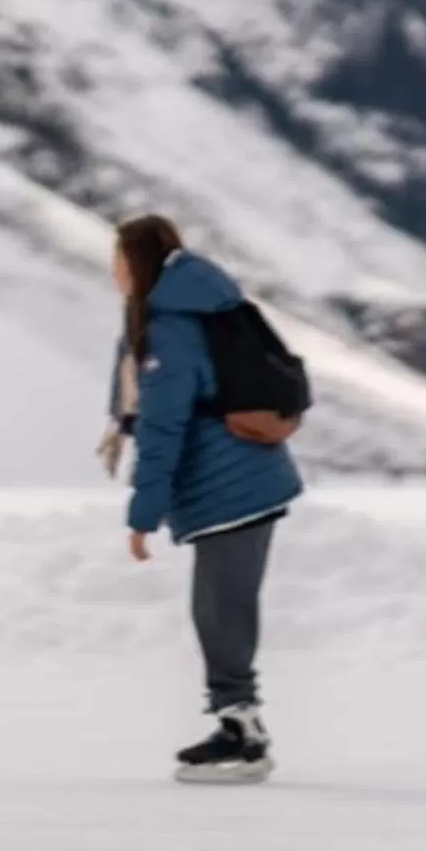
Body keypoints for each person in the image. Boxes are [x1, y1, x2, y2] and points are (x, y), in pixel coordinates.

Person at [106, 213, 304, 783]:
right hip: (244, 480)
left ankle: (244, 735)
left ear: (137, 261)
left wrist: (142, 516)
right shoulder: (190, 309)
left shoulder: (171, 329)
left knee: (221, 613)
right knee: (220, 611)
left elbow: (162, 428)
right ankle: (235, 722)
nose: (113, 270)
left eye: (118, 258)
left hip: (231, 488)